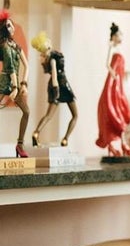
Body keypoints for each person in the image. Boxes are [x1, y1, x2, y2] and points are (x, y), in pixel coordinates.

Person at [30, 31, 78, 147]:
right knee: (75, 115)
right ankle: (65, 139)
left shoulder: (47, 59)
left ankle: (36, 132)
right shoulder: (52, 59)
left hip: (53, 85)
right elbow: (55, 75)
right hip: (61, 85)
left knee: (49, 115)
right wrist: (56, 90)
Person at [96, 22, 130, 158]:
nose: (120, 36)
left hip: (119, 84)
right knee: (114, 109)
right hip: (113, 82)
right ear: (113, 36)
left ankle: (122, 144)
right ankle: (117, 144)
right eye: (118, 34)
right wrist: (113, 75)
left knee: (121, 109)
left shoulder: (118, 50)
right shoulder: (112, 48)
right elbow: (107, 64)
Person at [0, 10, 30, 157]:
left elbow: (27, 65)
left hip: (16, 85)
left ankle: (20, 144)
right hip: (5, 83)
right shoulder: (4, 45)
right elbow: (10, 67)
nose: (13, 28)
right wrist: (15, 87)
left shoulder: (15, 45)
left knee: (26, 112)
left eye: (12, 25)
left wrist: (23, 84)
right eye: (10, 26)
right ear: (5, 28)